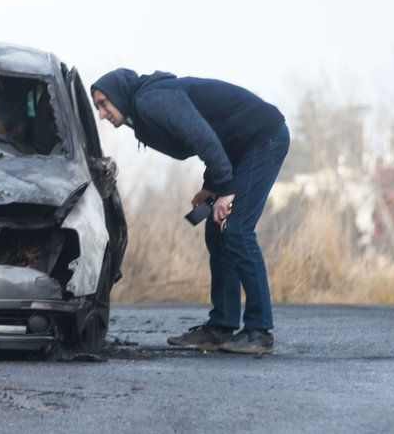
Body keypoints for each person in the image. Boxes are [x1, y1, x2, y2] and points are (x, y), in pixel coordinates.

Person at [92, 68, 289, 354]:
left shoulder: (151, 100)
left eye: (103, 103)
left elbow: (203, 137)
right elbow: (213, 132)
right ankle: (220, 327)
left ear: (119, 94)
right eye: (98, 107)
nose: (102, 113)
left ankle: (260, 332)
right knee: (216, 228)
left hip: (262, 139)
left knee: (235, 229)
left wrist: (225, 186)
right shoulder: (144, 107)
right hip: (240, 148)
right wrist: (213, 186)